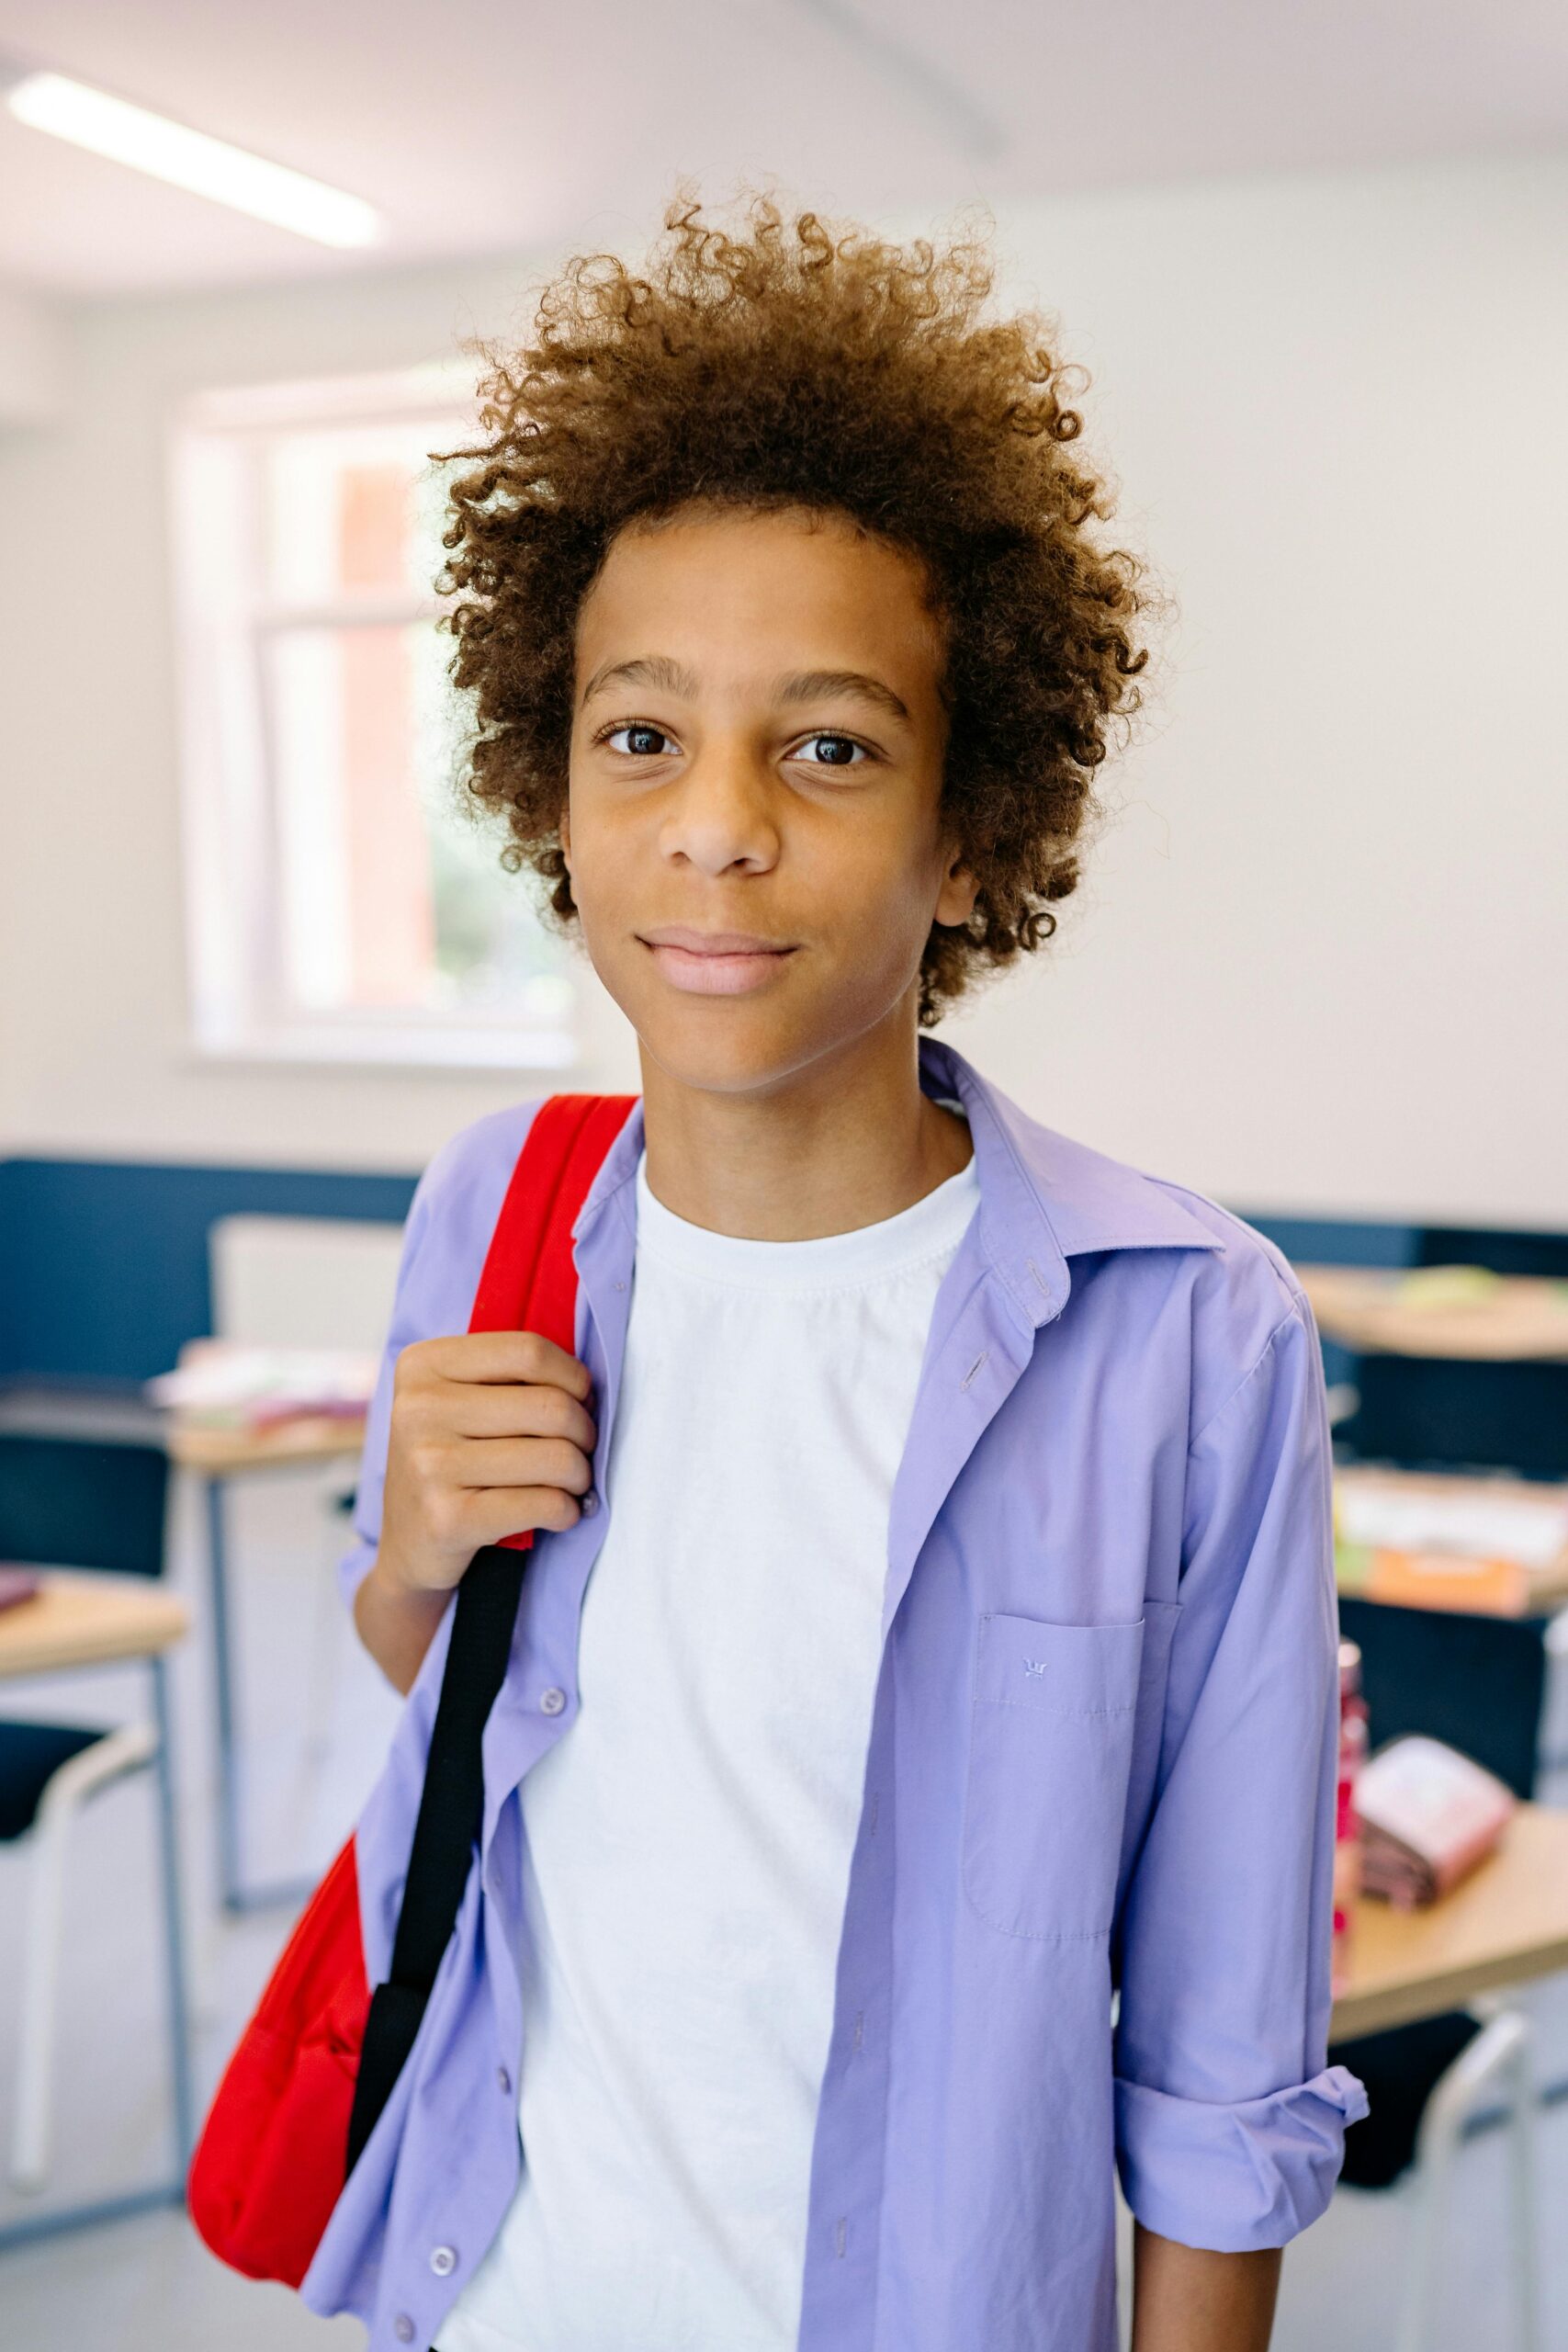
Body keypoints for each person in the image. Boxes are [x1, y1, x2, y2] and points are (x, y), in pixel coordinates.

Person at [312, 193, 1367, 2352]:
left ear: (967, 828)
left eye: (826, 744)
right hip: (493, 2294)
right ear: (552, 791)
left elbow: (1220, 2043)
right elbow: (435, 1681)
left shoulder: (1183, 1330)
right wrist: (412, 1552)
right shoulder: (494, 1210)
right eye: (638, 737)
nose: (714, 826)